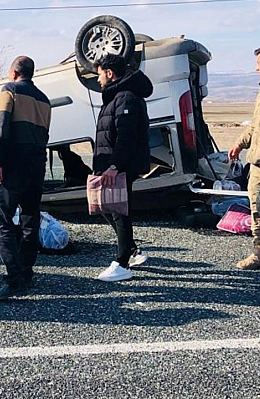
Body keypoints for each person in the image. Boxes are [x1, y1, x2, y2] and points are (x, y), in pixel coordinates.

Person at [0, 56, 51, 301]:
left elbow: (0, 127)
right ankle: (26, 272)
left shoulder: (9, 90)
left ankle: (14, 279)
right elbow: (45, 135)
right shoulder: (45, 100)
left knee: (2, 219)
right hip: (37, 164)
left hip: (13, 165)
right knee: (30, 219)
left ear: (13, 72)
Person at [92, 54, 152, 282]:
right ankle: (133, 250)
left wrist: (115, 165)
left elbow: (126, 137)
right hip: (114, 165)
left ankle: (122, 262)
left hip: (121, 166)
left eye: (99, 74)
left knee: (118, 211)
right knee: (108, 207)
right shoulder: (117, 96)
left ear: (109, 73)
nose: (98, 80)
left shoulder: (125, 97)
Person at [229, 43, 260, 271]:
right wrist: (240, 143)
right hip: (257, 159)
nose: (255, 67)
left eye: (258, 62)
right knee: (255, 208)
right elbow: (257, 123)